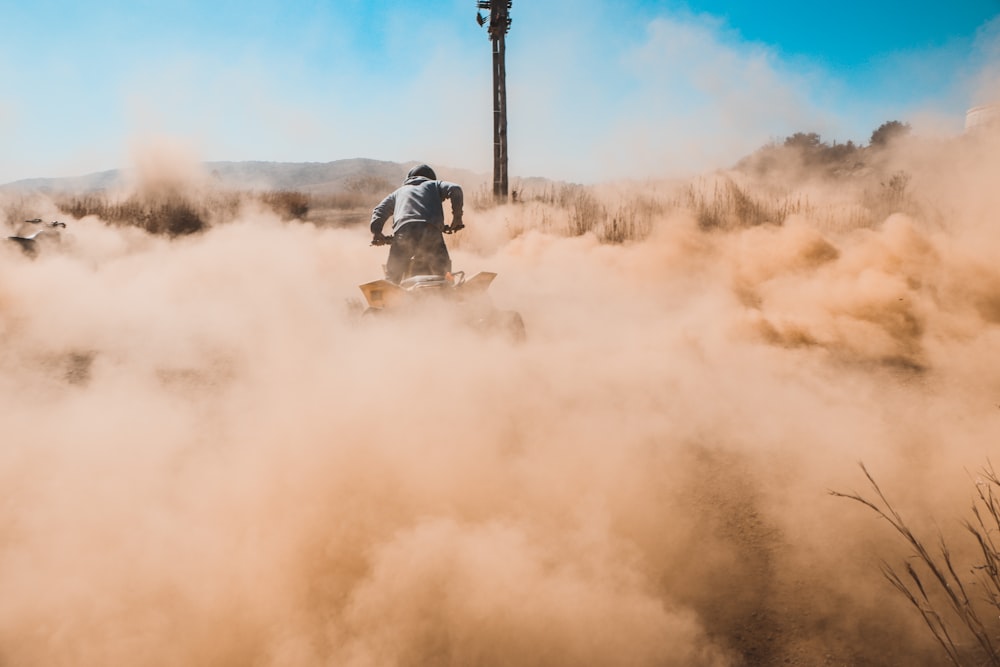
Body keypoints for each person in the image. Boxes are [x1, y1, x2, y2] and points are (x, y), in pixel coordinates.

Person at [370, 164, 464, 283]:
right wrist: (457, 217)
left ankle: (390, 293)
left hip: (403, 234)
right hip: (431, 232)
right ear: (431, 178)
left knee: (392, 278)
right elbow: (455, 189)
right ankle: (450, 292)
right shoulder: (434, 184)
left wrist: (377, 233)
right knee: (444, 273)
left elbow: (379, 211)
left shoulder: (398, 193)